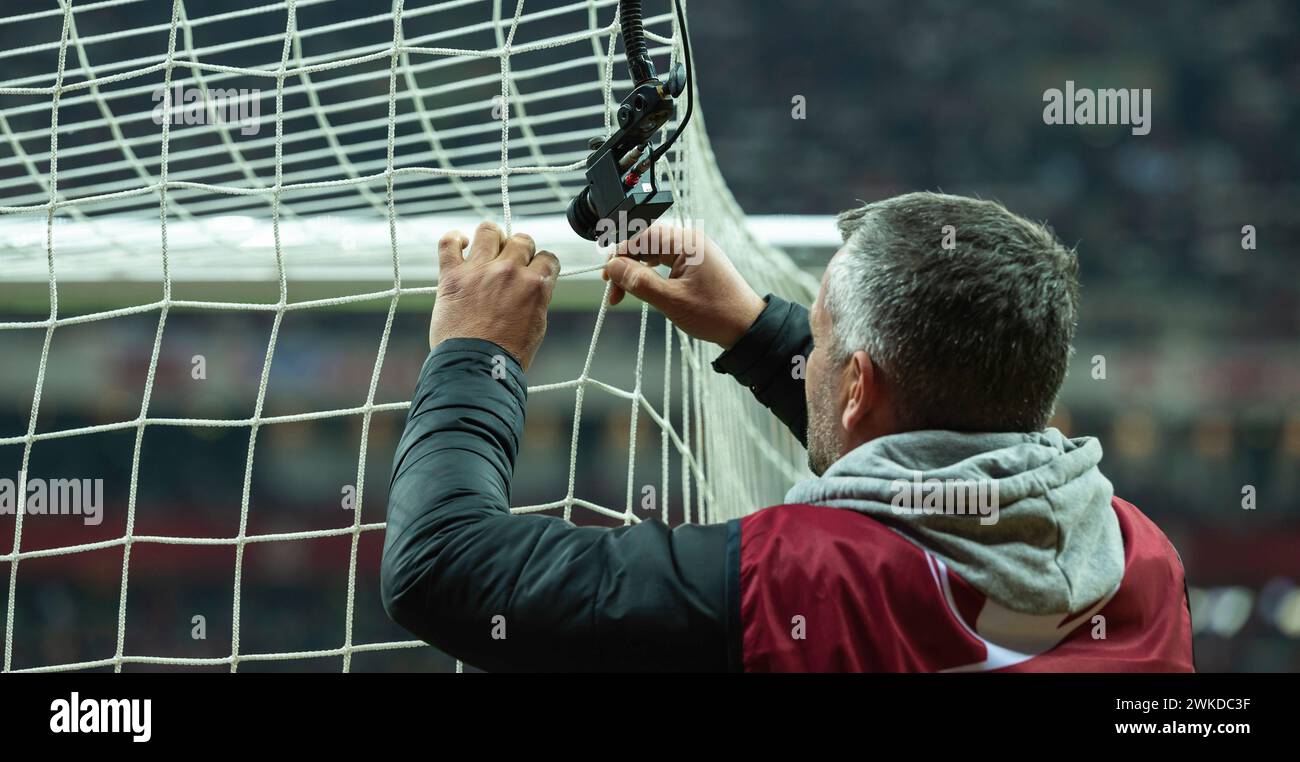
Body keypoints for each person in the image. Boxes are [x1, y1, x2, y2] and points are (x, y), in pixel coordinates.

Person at [380, 192, 1194, 672]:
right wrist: (756, 330)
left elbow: (441, 567)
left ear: (856, 385)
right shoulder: (1141, 561)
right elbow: (916, 421)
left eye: (820, 328)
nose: (813, 339)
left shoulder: (802, 583)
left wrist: (476, 352)